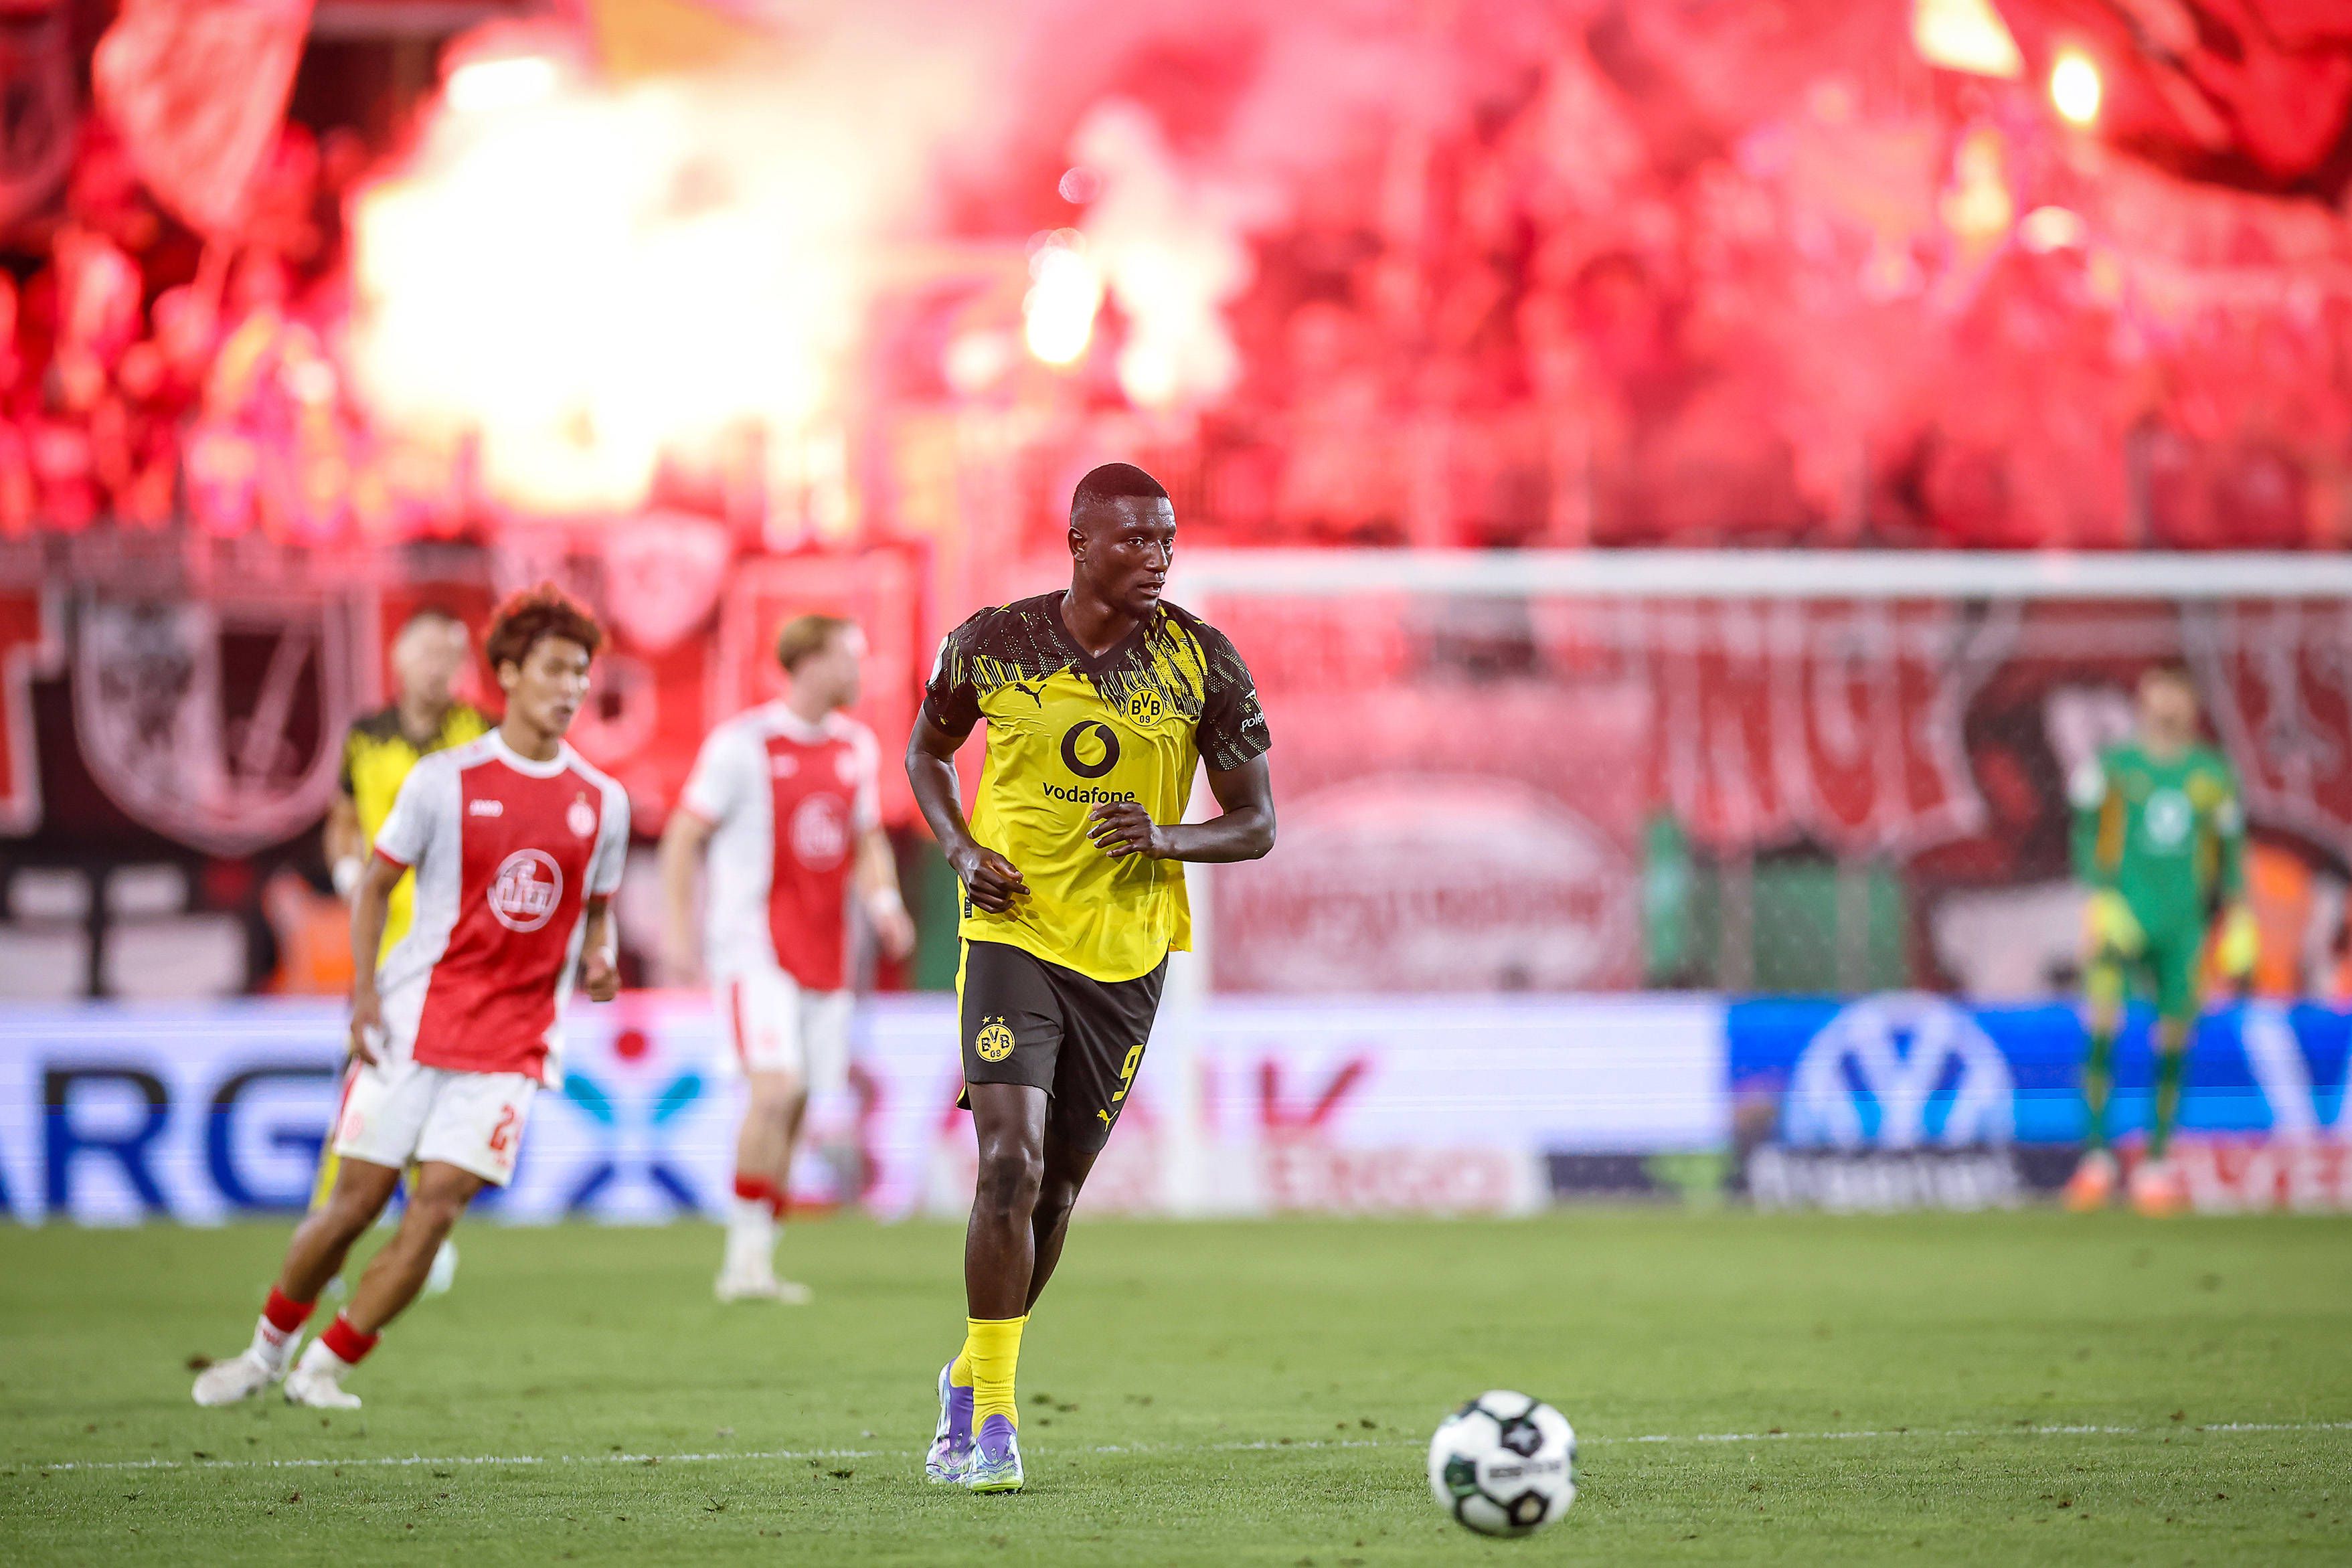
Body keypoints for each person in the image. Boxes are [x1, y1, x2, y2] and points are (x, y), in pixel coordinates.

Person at [905, 462, 1276, 1492]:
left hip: (1125, 953)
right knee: (1009, 1163)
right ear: (1078, 541)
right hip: (1011, 932)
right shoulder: (994, 642)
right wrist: (959, 848)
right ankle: (991, 1422)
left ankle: (966, 1372)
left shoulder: (1202, 662)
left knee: (1057, 1189)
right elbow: (927, 752)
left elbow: (1256, 821)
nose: (1157, 557)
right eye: (1135, 539)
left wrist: (1164, 835)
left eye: (1166, 540)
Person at [193, 585, 628, 1409]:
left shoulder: (602, 801)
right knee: (352, 1207)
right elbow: (373, 887)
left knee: (437, 1211)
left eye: (581, 673)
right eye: (554, 669)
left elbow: (596, 909)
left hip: (513, 1042)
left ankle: (326, 1367)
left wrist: (599, 959)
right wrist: (362, 996)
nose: (571, 688)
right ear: (508, 674)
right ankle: (264, 1354)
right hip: (414, 1018)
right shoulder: (443, 781)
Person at [659, 613, 916, 1303]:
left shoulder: (855, 746)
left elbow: (865, 838)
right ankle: (740, 1261)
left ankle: (759, 1259)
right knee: (773, 1090)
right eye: (849, 657)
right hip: (754, 949)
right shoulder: (742, 745)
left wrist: (885, 904)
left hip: (824, 952)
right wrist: (679, 930)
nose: (861, 671)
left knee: (799, 1100)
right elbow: (683, 835)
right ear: (810, 663)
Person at [317, 605, 489, 1294]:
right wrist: (347, 875)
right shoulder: (366, 736)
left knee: (444, 1094)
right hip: (387, 945)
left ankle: (423, 1235)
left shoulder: (480, 733)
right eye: (425, 652)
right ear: (397, 660)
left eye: (448, 654)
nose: (436, 667)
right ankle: (330, 1232)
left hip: (459, 942)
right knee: (363, 1085)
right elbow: (341, 820)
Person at [2064, 665, 2256, 1217]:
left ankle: (2155, 1163)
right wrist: (2101, 897)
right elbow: (2084, 832)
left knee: (2174, 1035)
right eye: (2158, 694)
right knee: (2103, 1022)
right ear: (2143, 700)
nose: (2167, 705)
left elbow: (2229, 848)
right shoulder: (2114, 766)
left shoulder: (2212, 774)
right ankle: (2096, 1159)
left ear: (2192, 703)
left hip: (2183, 926)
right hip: (2122, 917)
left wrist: (2238, 915)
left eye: (2176, 695)